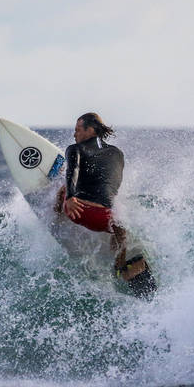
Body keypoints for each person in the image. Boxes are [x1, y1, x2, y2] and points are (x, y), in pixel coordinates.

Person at [55, 112, 150, 286]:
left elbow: (73, 171)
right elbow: (113, 184)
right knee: (118, 226)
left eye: (77, 130)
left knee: (62, 187)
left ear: (90, 130)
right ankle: (121, 261)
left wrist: (69, 196)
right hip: (107, 219)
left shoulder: (74, 149)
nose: (74, 134)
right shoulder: (118, 154)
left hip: (80, 211)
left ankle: (54, 218)